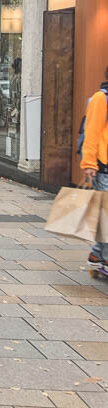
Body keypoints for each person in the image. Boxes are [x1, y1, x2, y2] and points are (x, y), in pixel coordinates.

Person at [83, 66, 108, 270]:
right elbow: (91, 132)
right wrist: (89, 163)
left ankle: (98, 253)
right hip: (105, 167)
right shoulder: (101, 98)